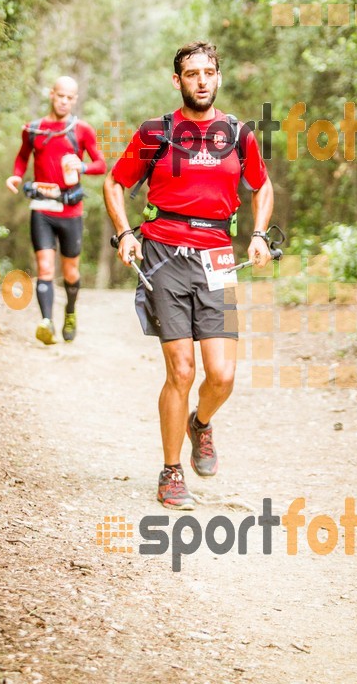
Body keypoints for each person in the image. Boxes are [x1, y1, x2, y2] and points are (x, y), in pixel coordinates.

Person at [103, 41, 274, 510]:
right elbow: (114, 182)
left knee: (222, 374)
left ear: (218, 77)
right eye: (191, 73)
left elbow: (262, 187)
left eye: (209, 71)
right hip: (162, 255)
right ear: (177, 81)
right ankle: (171, 470)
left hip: (218, 254)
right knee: (181, 369)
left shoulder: (239, 134)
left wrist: (258, 235)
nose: (201, 79)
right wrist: (123, 233)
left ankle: (201, 423)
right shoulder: (156, 132)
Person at [6, 76, 106, 345]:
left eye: (69, 97)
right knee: (45, 267)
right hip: (41, 208)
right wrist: (16, 176)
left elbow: (101, 164)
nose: (64, 101)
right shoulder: (33, 129)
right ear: (52, 94)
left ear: (75, 99)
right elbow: (22, 156)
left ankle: (70, 311)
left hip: (70, 211)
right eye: (60, 95)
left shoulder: (82, 130)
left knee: (71, 272)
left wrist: (81, 166)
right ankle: (46, 323)